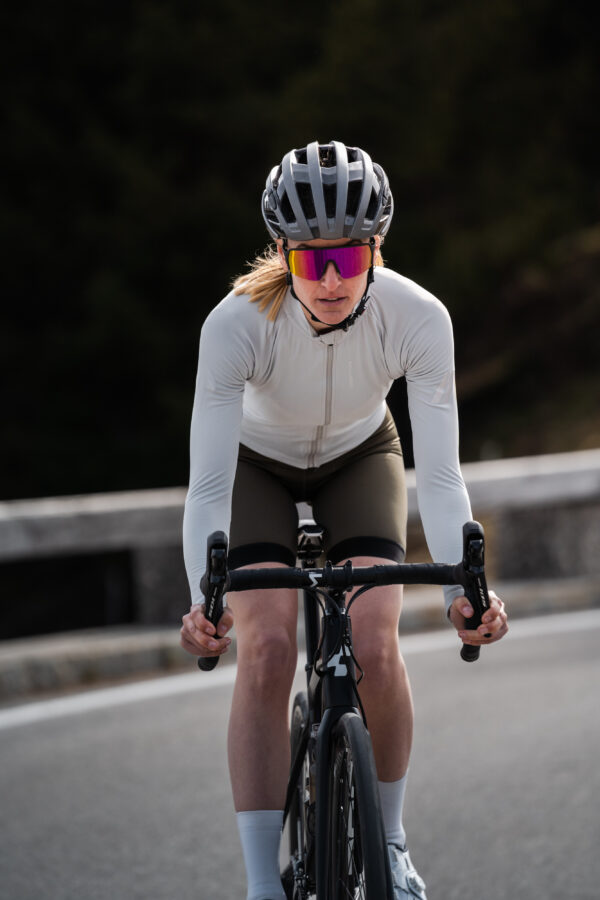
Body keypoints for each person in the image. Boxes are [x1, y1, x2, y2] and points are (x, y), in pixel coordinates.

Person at [180, 140, 508, 900]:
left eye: (349, 260)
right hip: (255, 467)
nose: (330, 281)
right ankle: (264, 882)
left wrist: (470, 586)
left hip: (362, 455)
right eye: (310, 261)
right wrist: (204, 601)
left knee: (377, 646)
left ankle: (390, 845)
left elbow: (444, 472)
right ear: (284, 254)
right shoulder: (235, 324)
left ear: (377, 249)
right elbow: (207, 487)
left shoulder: (419, 317)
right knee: (264, 649)